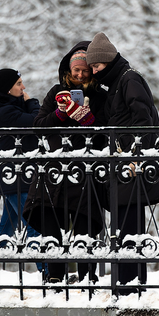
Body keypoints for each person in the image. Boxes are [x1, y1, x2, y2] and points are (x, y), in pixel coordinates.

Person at [25, 43, 107, 286]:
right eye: (76, 71)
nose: (80, 75)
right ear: (68, 70)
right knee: (52, 227)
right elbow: (38, 127)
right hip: (54, 171)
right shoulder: (56, 93)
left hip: (85, 171)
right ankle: (54, 277)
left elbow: (104, 132)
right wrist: (61, 114)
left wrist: (88, 119)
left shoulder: (100, 95)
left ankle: (86, 277)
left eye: (84, 71)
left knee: (85, 227)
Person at [85, 32, 159, 295]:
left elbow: (143, 118)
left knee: (128, 225)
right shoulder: (118, 82)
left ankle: (128, 286)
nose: (94, 72)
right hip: (125, 166)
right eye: (92, 67)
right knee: (126, 225)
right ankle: (129, 283)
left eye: (97, 66)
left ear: (109, 60)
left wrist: (128, 151)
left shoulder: (128, 79)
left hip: (131, 166)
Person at [0, 68, 44, 284]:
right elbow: (37, 122)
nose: (23, 87)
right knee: (34, 225)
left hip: (19, 177)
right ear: (8, 88)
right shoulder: (4, 112)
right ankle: (49, 274)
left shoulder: (10, 108)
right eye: (19, 84)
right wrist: (32, 102)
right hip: (16, 178)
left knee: (5, 229)